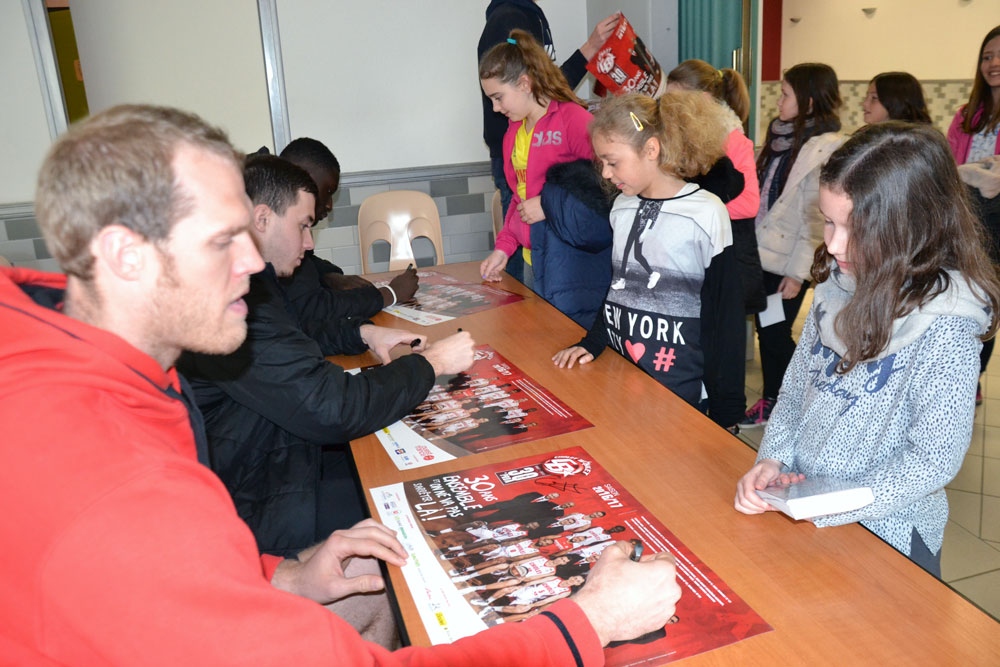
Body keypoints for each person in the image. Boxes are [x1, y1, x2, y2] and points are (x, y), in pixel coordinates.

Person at [0, 103, 683, 664]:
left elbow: (176, 585)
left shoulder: (66, 357)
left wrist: (283, 576)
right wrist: (585, 622)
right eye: (221, 241)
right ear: (125, 255)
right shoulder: (113, 492)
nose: (252, 262)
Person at [734, 122, 1000, 578]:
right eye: (829, 222)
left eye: (853, 229)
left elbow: (932, 459)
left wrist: (830, 502)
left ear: (908, 226)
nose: (834, 244)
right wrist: (772, 460)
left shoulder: (947, 325)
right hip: (805, 500)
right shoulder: (840, 279)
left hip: (888, 533)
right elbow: (797, 389)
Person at [180, 154, 475, 557]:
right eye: (303, 225)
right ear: (262, 218)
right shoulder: (231, 299)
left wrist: (360, 331)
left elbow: (293, 336)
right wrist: (432, 364)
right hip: (259, 494)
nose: (310, 243)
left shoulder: (250, 287)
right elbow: (333, 408)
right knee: (420, 517)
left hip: (271, 453)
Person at [552, 91, 745, 430]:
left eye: (613, 162)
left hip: (681, 389)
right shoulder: (621, 207)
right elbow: (617, 288)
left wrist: (727, 410)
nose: (607, 174)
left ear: (651, 150)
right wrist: (593, 342)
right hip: (622, 376)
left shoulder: (707, 213)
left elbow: (725, 318)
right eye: (602, 164)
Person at [740, 63, 844, 428]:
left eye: (786, 94)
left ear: (810, 101)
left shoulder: (825, 149)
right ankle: (783, 399)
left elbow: (815, 219)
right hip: (763, 254)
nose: (778, 101)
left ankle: (778, 403)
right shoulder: (780, 139)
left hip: (786, 263)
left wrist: (798, 275)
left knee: (773, 332)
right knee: (767, 329)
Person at [478, 0, 619, 224]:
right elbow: (544, 87)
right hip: (521, 150)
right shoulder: (508, 18)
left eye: (498, 99)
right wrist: (588, 49)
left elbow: (597, 188)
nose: (497, 107)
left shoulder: (528, 15)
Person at [479, 29, 597, 289]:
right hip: (533, 258)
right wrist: (503, 249)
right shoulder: (514, 131)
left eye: (498, 98)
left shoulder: (573, 120)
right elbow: (519, 199)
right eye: (491, 100)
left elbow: (604, 189)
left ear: (524, 83)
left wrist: (549, 205)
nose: (496, 109)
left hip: (571, 260)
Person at [277, 137, 419, 323]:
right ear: (301, 183)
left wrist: (329, 276)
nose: (329, 205)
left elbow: (307, 264)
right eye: (327, 192)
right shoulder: (277, 238)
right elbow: (315, 307)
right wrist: (390, 294)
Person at [667, 59, 766, 316]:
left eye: (676, 100)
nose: (669, 107)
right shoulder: (676, 138)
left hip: (724, 257)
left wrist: (694, 206)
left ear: (702, 99)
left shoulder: (733, 140)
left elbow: (749, 203)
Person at [947, 26, 1000, 404]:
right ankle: (956, 369)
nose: (993, 64)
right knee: (958, 297)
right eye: (987, 56)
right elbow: (950, 168)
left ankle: (974, 374)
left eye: (999, 56)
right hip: (963, 222)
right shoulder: (966, 115)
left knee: (989, 304)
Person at [861, 72, 932, 125]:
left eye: (874, 98)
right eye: (866, 97)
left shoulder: (910, 141)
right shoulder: (870, 135)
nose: (864, 104)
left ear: (896, 103)